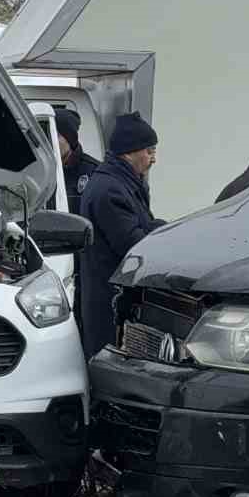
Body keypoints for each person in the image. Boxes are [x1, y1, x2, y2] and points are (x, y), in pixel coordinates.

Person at [79, 112, 163, 359]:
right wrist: (167, 240)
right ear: (129, 152)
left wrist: (169, 229)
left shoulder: (125, 183)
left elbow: (143, 224)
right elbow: (133, 245)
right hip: (110, 301)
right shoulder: (110, 190)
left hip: (116, 297)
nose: (154, 159)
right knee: (109, 365)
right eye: (149, 151)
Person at [55, 106, 100, 216]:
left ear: (70, 139)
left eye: (58, 135)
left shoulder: (93, 171)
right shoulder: (43, 171)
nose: (52, 141)